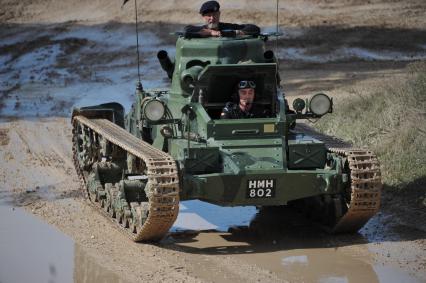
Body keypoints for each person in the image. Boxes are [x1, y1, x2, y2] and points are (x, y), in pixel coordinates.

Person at [184, 1, 260, 38]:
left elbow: (254, 29)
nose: (212, 18)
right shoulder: (201, 29)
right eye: (209, 16)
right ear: (203, 17)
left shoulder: (228, 27)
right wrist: (210, 32)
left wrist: (233, 33)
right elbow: (187, 30)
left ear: (219, 14)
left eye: (214, 15)